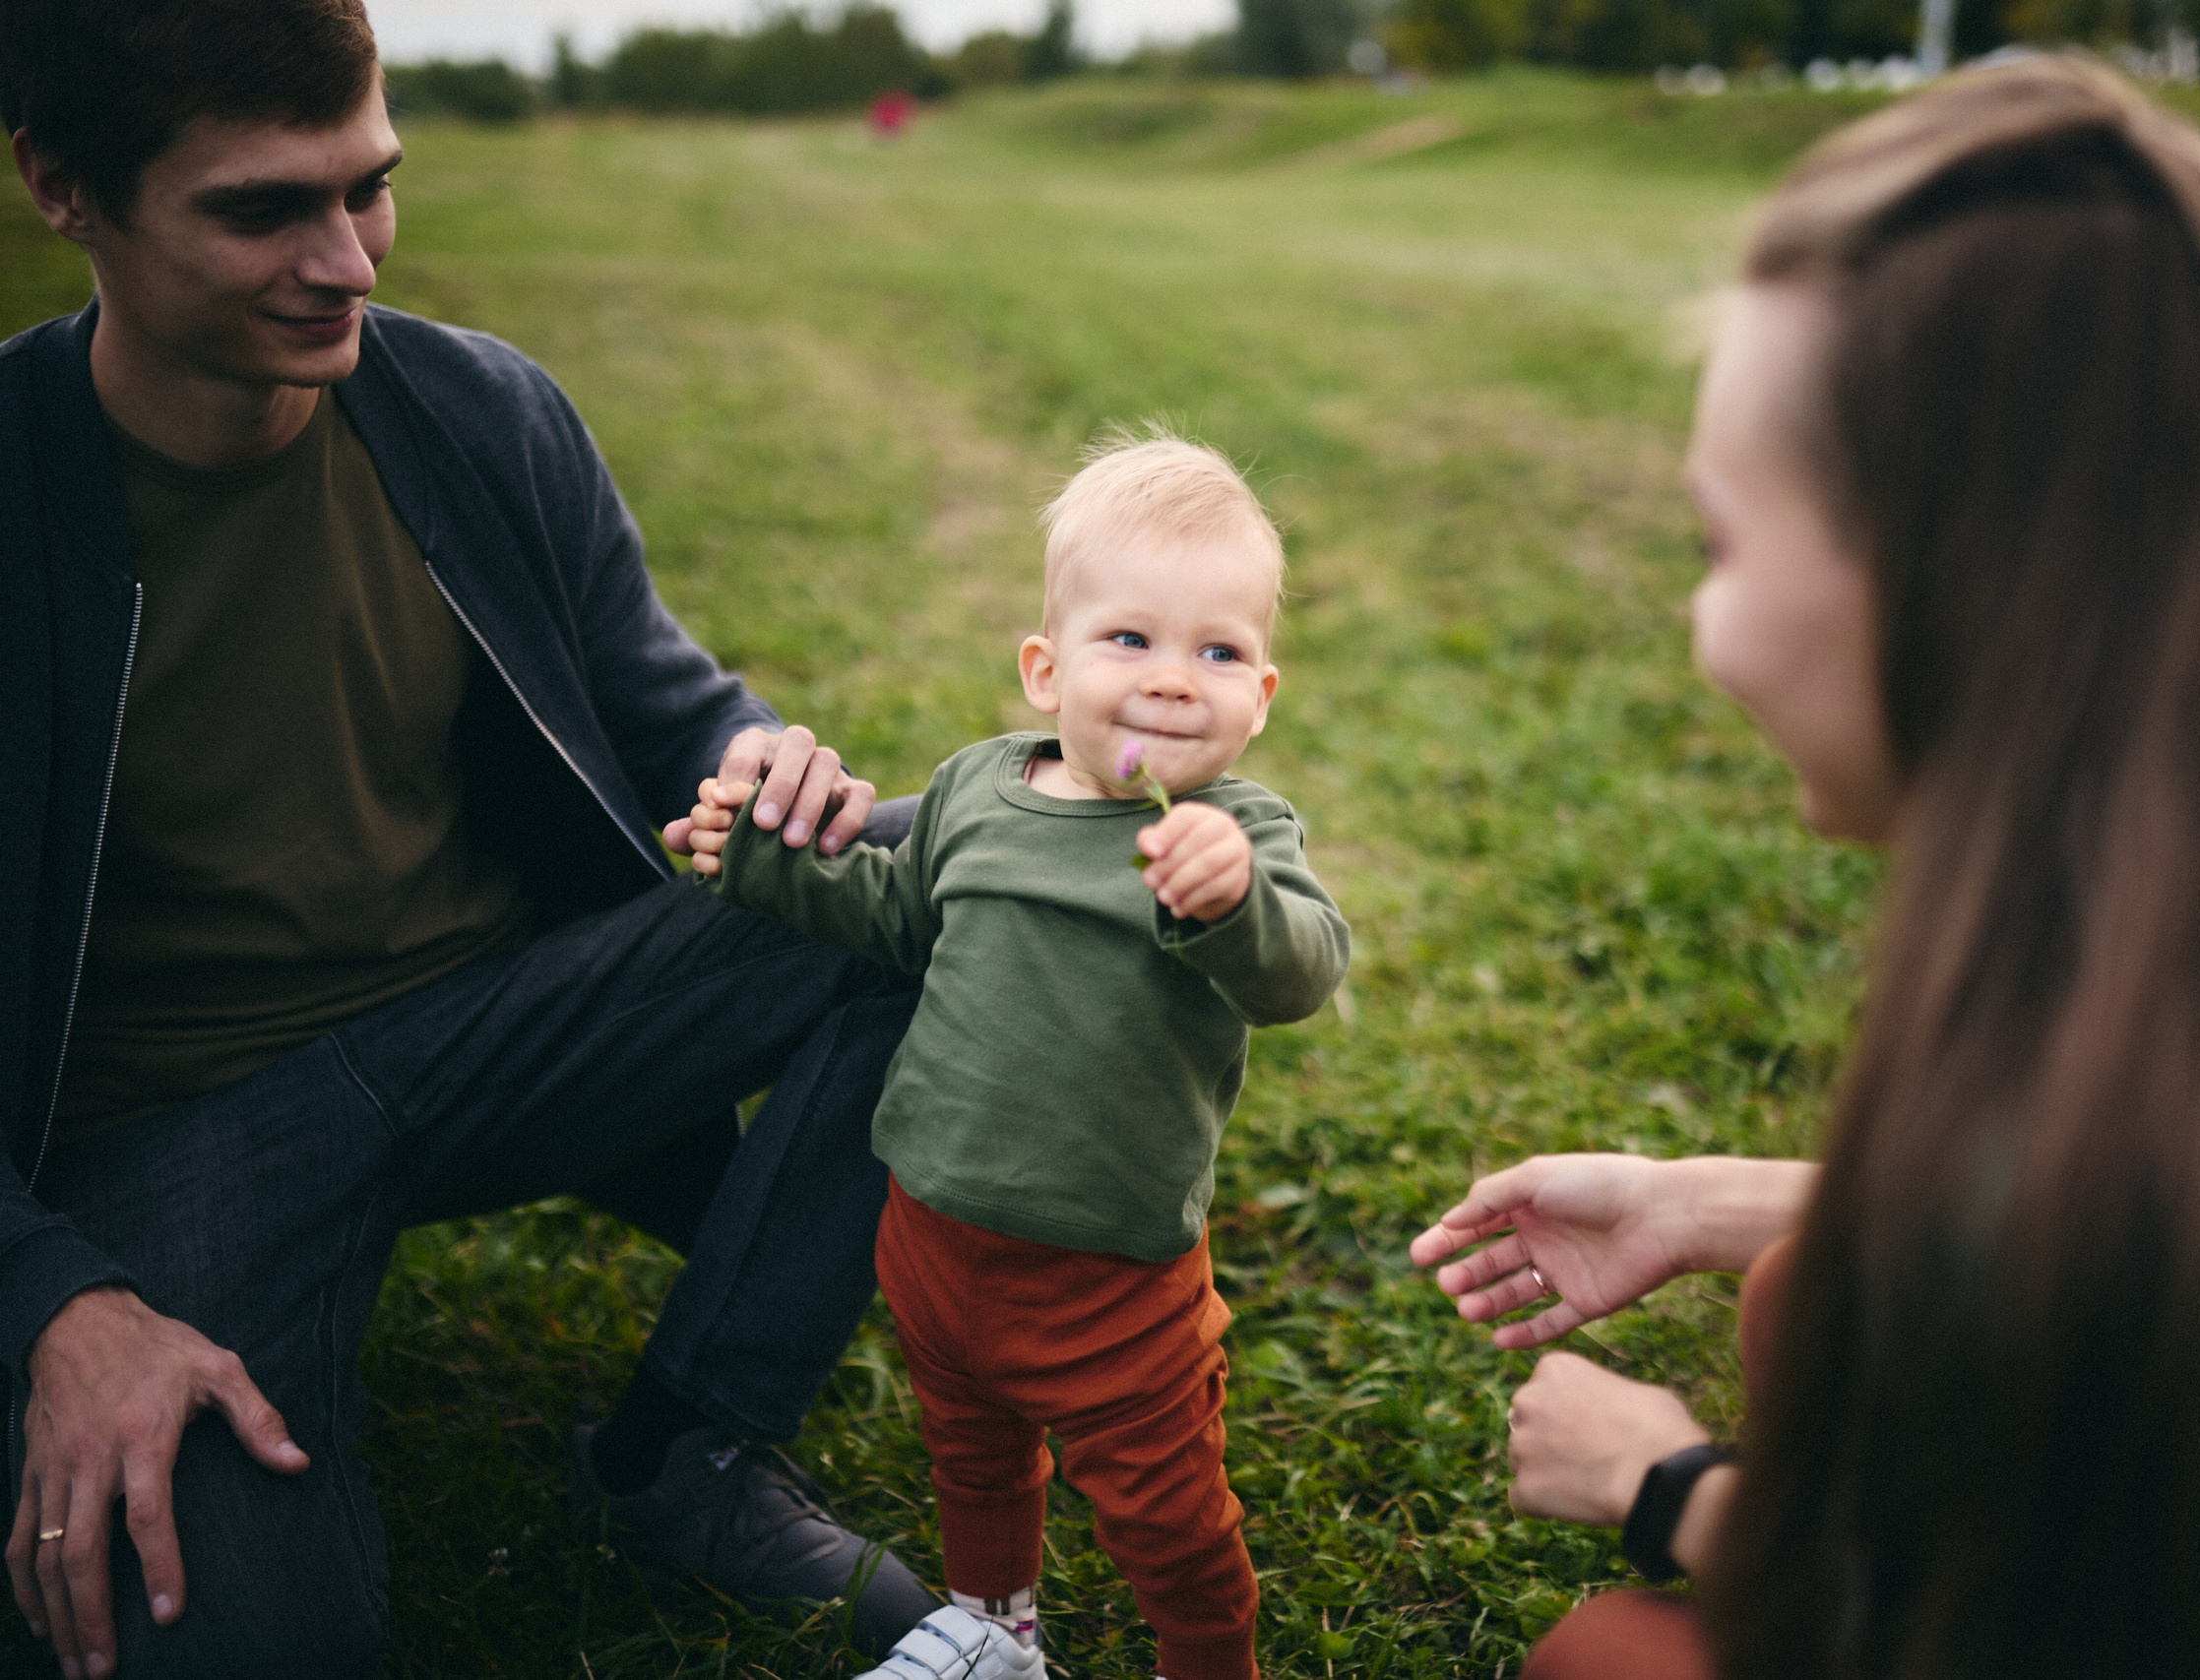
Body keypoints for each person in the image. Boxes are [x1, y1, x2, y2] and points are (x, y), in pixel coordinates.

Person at [1414, 57, 2200, 1679]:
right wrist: (1703, 1201)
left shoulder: (2128, 1146)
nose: (1700, 627)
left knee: (1605, 1665)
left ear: (1953, 595)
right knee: (1805, 1291)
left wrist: (1663, 1483)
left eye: (1716, 545)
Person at [0, 2, 957, 1673]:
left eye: (369, 187)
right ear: (61, 189)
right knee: (206, 1636)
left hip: (505, 1024)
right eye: (262, 210)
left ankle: (688, 1452)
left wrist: (761, 762)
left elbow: (668, 704)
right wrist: (55, 1303)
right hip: (172, 1131)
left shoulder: (480, 411)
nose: (348, 261)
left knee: (966, 863)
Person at [685, 434, 1352, 1680]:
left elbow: (1302, 972)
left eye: (1216, 652)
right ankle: (997, 1631)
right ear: (1046, 671)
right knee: (974, 1456)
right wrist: (762, 863)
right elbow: (894, 918)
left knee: (1165, 1514)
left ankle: (1210, 1658)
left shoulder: (1235, 834)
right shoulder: (980, 790)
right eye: (1129, 641)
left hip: (1111, 1282)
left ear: (1261, 695)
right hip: (933, 1239)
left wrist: (1232, 901)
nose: (1169, 681)